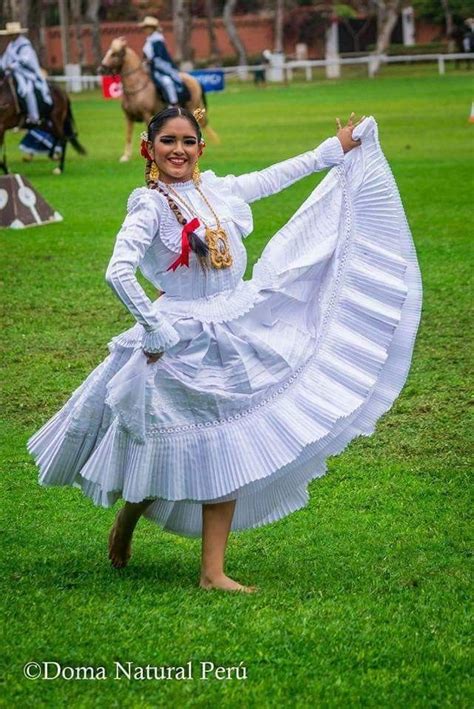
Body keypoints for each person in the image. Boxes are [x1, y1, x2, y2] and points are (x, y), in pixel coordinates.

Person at [27, 106, 422, 593]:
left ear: (200, 148)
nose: (179, 150)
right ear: (149, 149)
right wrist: (152, 328)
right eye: (168, 141)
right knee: (164, 447)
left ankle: (212, 573)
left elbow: (272, 177)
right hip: (180, 337)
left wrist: (333, 151)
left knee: (228, 441)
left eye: (188, 141)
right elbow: (118, 271)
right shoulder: (149, 206)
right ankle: (128, 520)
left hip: (235, 322)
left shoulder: (216, 190)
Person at [0, 21, 52, 125]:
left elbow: (26, 60)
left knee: (27, 91)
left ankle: (34, 117)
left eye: (12, 34)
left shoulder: (25, 45)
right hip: (13, 74)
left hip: (27, 75)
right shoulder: (11, 46)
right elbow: (4, 59)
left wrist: (12, 66)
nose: (11, 36)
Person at [139, 15, 185, 107]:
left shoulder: (158, 41)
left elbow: (160, 57)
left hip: (161, 69)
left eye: (146, 27)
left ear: (152, 28)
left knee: (167, 82)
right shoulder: (149, 41)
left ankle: (173, 103)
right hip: (150, 68)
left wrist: (150, 61)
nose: (145, 30)